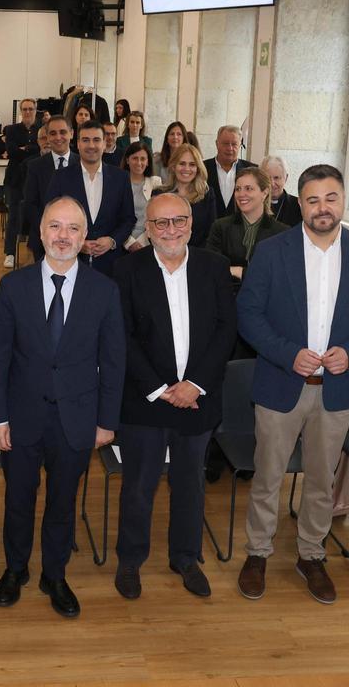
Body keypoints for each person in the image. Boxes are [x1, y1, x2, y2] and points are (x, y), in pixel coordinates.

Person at [236, 164, 349, 604]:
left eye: (331, 198)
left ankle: (311, 554)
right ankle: (258, 552)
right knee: (267, 476)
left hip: (337, 389)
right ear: (298, 202)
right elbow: (249, 314)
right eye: (313, 199)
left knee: (322, 480)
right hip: (282, 382)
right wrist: (288, 353)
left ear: (342, 200)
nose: (322, 208)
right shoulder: (271, 250)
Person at [0, 196, 125, 618]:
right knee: (18, 500)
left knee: (63, 503)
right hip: (22, 416)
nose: (63, 236)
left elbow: (115, 361)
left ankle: (55, 574)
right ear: (40, 232)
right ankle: (15, 569)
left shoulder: (105, 291)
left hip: (77, 419)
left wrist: (106, 421)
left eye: (73, 229)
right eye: (55, 227)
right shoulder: (14, 286)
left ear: (85, 238)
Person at [112, 193, 236, 599]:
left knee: (190, 484)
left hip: (197, 399)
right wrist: (162, 388)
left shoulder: (213, 267)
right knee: (139, 485)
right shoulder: (126, 270)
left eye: (178, 221)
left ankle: (185, 556)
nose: (171, 230)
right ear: (147, 230)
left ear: (191, 224)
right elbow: (122, 337)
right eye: (160, 224)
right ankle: (130, 560)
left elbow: (225, 330)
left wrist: (194, 384)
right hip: (145, 401)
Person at [43, 120, 136, 276]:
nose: (91, 145)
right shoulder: (60, 177)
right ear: (78, 144)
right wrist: (77, 243)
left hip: (110, 264)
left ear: (105, 144)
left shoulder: (121, 178)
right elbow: (48, 218)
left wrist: (112, 241)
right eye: (85, 140)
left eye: (96, 140)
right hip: (70, 262)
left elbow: (128, 218)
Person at [205, 166, 290, 292]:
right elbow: (211, 268)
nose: (241, 194)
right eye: (238, 189)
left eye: (249, 189)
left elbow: (279, 276)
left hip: (265, 305)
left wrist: (240, 271)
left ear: (265, 192)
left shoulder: (282, 232)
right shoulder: (220, 227)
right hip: (227, 300)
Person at [23, 116, 74, 264]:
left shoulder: (82, 163)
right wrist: (50, 230)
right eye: (52, 133)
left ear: (71, 133)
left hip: (76, 239)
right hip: (43, 238)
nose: (58, 137)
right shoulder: (35, 166)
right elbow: (30, 204)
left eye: (63, 132)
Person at [2, 99, 41, 268]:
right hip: (15, 179)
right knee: (14, 217)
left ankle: (34, 253)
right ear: (20, 111)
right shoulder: (11, 129)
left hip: (35, 179)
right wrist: (29, 149)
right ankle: (10, 253)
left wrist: (25, 149)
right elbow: (11, 151)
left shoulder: (41, 129)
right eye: (24, 109)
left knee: (35, 216)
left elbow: (41, 150)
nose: (27, 112)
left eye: (30, 109)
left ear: (35, 110)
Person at [160, 143, 217, 249]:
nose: (187, 169)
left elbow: (211, 234)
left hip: (198, 256)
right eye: (182, 163)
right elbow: (154, 230)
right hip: (165, 254)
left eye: (192, 164)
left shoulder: (207, 195)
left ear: (198, 168)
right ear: (173, 166)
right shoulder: (159, 194)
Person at [203, 125, 254, 218]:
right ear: (217, 144)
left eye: (234, 144)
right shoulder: (202, 168)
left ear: (240, 146)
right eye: (225, 143)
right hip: (209, 229)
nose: (230, 148)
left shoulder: (252, 170)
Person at [121, 143, 164, 252]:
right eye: (135, 158)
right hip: (122, 242)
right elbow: (114, 217)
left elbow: (158, 216)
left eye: (143, 159)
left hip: (149, 242)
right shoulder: (118, 183)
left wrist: (142, 241)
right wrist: (129, 242)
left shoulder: (156, 183)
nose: (139, 163)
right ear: (127, 160)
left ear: (148, 161)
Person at [261, 156, 302, 227]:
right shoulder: (254, 204)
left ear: (286, 178)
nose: (272, 184)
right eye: (267, 178)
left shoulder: (299, 206)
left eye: (276, 178)